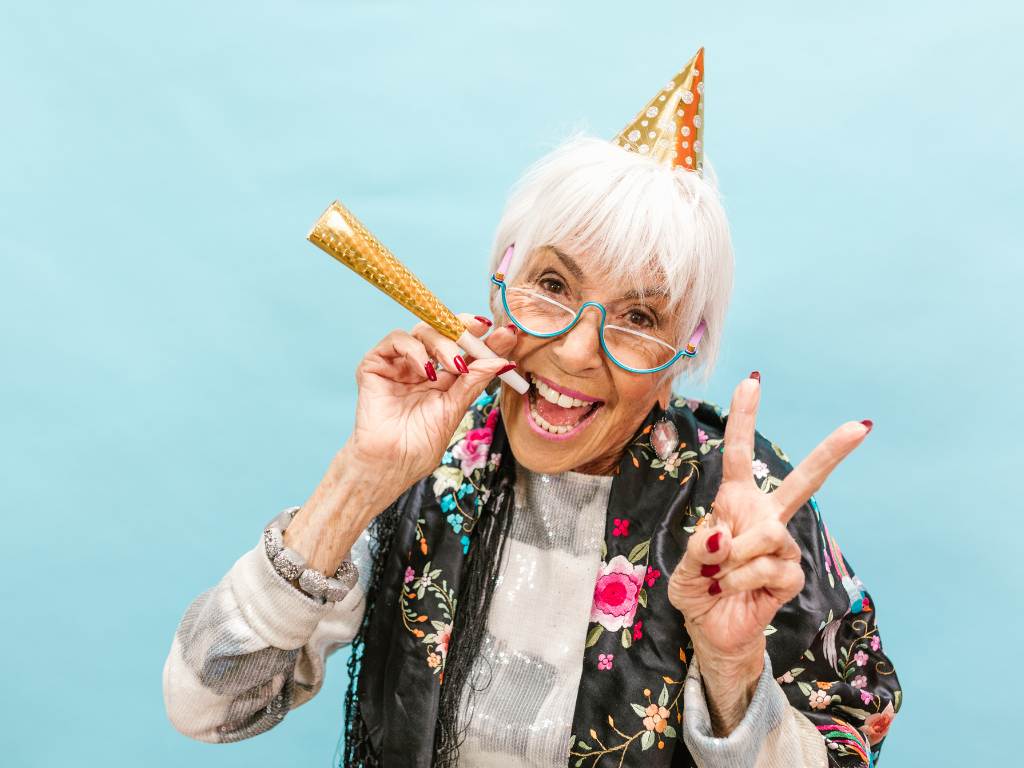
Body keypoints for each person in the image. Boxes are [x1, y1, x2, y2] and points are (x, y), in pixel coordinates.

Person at [163, 49, 901, 767]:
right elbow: (204, 706)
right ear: (499, 286)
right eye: (551, 283)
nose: (578, 352)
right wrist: (359, 479)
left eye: (640, 320)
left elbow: (845, 733)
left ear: (683, 359)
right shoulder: (436, 462)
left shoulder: (747, 516)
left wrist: (734, 669)